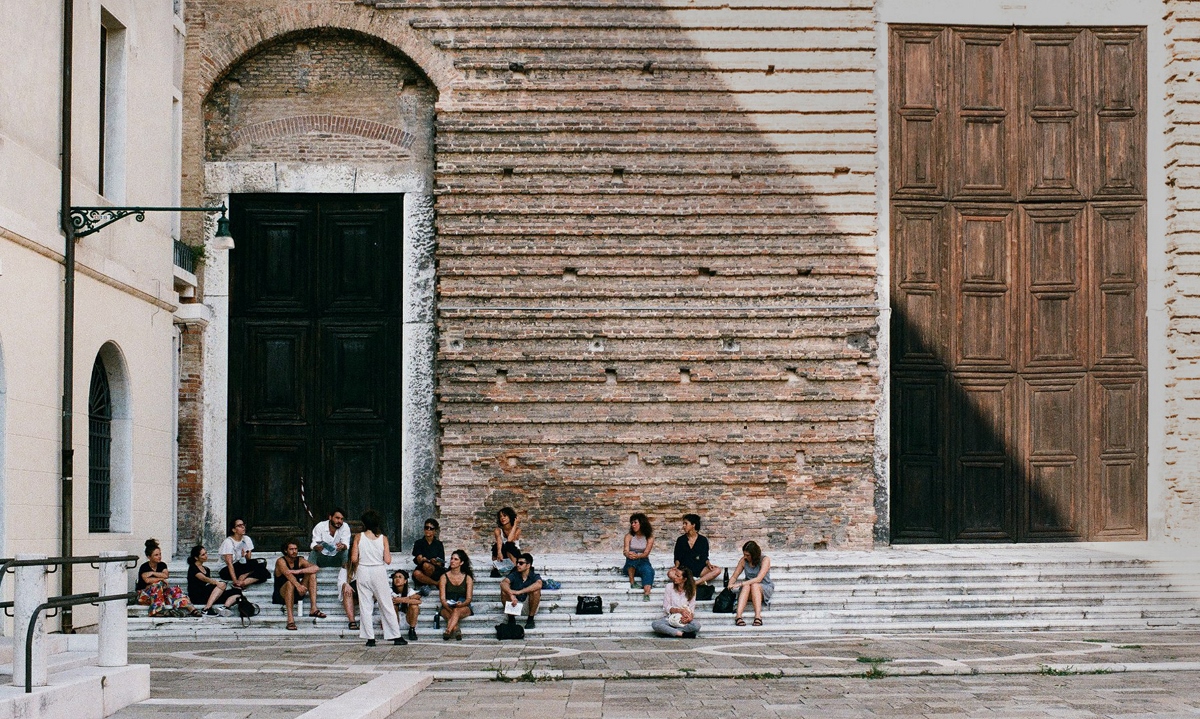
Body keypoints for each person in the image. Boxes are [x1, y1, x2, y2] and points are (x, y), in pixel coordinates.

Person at [352, 509, 405, 646]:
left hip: (363, 570)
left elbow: (353, 558)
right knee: (386, 604)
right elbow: (387, 560)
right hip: (378, 571)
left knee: (365, 605)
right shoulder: (383, 538)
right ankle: (395, 635)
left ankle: (370, 638)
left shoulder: (358, 537)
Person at [137, 538, 201, 617]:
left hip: (160, 595)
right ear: (149, 557)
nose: (159, 556)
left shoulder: (162, 565)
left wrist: (152, 573)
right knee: (157, 585)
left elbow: (166, 575)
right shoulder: (144, 567)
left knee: (174, 590)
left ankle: (191, 609)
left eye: (160, 554)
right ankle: (157, 611)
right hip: (145, 596)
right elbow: (147, 580)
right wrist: (161, 579)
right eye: (156, 555)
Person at [273, 539, 325, 630]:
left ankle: (313, 608)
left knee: (312, 574)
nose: (294, 551)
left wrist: (298, 571)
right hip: (282, 594)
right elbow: (288, 574)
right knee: (290, 583)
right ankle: (290, 620)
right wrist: (298, 585)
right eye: (291, 549)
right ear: (286, 550)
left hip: (297, 591)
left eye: (296, 549)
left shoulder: (300, 560)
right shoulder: (280, 561)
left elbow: (315, 568)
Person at [186, 545, 242, 616]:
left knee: (237, 592)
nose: (206, 556)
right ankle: (206, 608)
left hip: (208, 595)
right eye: (203, 555)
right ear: (196, 558)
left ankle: (224, 608)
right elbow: (204, 578)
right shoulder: (193, 568)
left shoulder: (206, 569)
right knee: (222, 584)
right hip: (197, 595)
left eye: (206, 553)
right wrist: (217, 583)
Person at [729, 540, 774, 627]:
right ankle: (738, 616)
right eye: (744, 554)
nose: (745, 557)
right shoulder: (743, 560)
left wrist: (740, 584)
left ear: (754, 554)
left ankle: (758, 616)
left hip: (763, 587)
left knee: (754, 585)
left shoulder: (765, 560)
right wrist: (730, 584)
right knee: (747, 586)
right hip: (747, 588)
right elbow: (735, 576)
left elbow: (759, 578)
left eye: (748, 555)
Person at [219, 519, 270, 589]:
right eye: (239, 526)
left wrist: (246, 553)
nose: (243, 527)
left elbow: (248, 559)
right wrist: (234, 580)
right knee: (262, 573)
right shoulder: (228, 542)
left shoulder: (246, 539)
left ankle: (242, 582)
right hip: (226, 570)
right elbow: (229, 564)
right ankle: (240, 581)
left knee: (261, 564)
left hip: (241, 566)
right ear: (233, 530)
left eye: (243, 525)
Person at [672, 513, 722, 587]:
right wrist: (676, 566)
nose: (683, 526)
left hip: (699, 569)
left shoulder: (703, 540)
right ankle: (688, 580)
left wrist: (709, 564)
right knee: (670, 573)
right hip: (685, 570)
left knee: (717, 570)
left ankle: (696, 583)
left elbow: (705, 556)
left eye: (686, 523)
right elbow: (677, 557)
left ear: (693, 525)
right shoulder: (681, 540)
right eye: (683, 524)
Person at [651, 566, 699, 638]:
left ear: (684, 579)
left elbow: (692, 608)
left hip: (682, 619)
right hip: (670, 618)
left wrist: (689, 618)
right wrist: (679, 610)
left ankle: (671, 631)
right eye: (675, 575)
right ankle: (682, 634)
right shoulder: (669, 586)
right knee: (655, 624)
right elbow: (666, 607)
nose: (674, 577)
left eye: (678, 576)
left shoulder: (692, 590)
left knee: (696, 625)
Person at [500, 552, 542, 629]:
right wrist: (511, 595)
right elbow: (504, 583)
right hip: (515, 604)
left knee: (536, 591)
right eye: (517, 563)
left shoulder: (534, 576)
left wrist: (519, 592)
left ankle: (530, 619)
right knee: (504, 591)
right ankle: (511, 619)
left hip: (529, 606)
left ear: (528, 565)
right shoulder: (514, 574)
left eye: (521, 563)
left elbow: (539, 584)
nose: (517, 565)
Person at [438, 549, 474, 641]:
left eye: (455, 559)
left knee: (457, 610)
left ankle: (448, 630)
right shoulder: (444, 576)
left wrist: (461, 604)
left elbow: (469, 598)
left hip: (463, 605)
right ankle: (456, 629)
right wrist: (449, 607)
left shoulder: (467, 577)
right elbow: (442, 598)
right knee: (452, 612)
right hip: (447, 605)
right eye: (451, 559)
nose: (452, 561)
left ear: (461, 562)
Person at [622, 513, 655, 601]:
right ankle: (632, 582)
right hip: (630, 564)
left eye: (635, 522)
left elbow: (646, 553)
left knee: (649, 571)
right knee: (631, 554)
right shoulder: (629, 536)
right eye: (632, 523)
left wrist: (638, 556)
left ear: (642, 523)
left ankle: (647, 594)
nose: (633, 525)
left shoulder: (649, 537)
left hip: (643, 560)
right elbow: (625, 550)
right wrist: (628, 554)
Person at [411, 518, 445, 592]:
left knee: (427, 566)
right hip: (422, 567)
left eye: (431, 528)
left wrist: (435, 562)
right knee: (418, 572)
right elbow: (418, 558)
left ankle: (426, 582)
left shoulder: (439, 544)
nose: (428, 530)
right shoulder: (419, 543)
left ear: (435, 531)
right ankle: (436, 583)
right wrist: (422, 559)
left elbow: (441, 562)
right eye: (426, 527)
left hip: (435, 569)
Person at [391, 569, 423, 641]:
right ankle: (394, 632)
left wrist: (402, 600)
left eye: (400, 577)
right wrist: (409, 599)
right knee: (393, 606)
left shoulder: (409, 591)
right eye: (395, 577)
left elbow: (419, 602)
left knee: (414, 606)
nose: (397, 579)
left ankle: (412, 630)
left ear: (405, 581)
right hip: (395, 620)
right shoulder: (390, 591)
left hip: (407, 619)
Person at [491, 507, 521, 575]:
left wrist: (515, 524)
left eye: (505, 516)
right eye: (500, 516)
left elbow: (510, 540)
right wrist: (499, 552)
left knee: (509, 545)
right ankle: (496, 567)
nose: (502, 518)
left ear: (510, 517)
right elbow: (499, 541)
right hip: (502, 554)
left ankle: (515, 568)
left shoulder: (517, 530)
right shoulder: (498, 530)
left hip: (513, 553)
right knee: (496, 546)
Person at [338, 559, 359, 631]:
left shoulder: (369, 565)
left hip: (368, 594)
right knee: (346, 588)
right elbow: (341, 581)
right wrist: (345, 584)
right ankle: (352, 621)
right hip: (354, 595)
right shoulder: (347, 566)